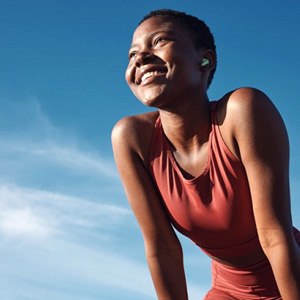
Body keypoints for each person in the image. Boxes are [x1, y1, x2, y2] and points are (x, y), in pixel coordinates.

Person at [112, 9, 300, 299]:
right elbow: (162, 248)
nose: (140, 58)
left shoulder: (243, 110)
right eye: (132, 54)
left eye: (159, 41)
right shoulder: (132, 138)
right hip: (230, 291)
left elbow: (275, 237)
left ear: (205, 60)